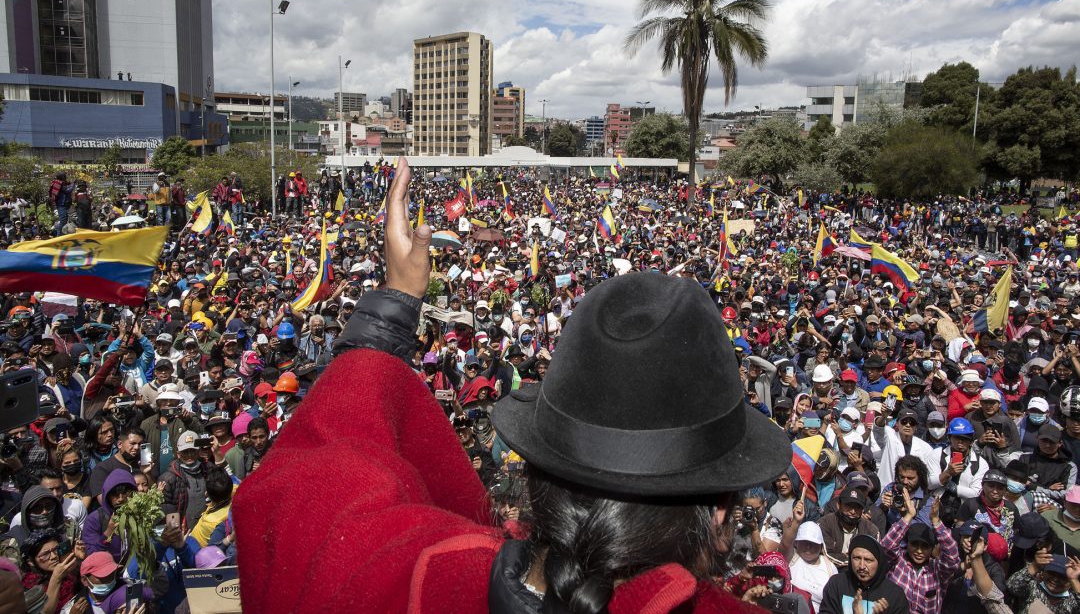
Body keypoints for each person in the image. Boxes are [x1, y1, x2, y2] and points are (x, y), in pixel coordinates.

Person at [233, 158, 793, 612]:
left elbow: (307, 503)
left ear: (534, 473)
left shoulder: (417, 580)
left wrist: (391, 310)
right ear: (721, 512)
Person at [880, 485, 961, 614]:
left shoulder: (937, 570)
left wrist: (936, 522)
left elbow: (952, 558)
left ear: (932, 549)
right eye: (914, 545)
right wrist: (909, 516)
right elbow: (886, 546)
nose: (919, 551)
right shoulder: (897, 562)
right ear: (908, 544)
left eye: (924, 547)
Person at [818, 534, 910, 614]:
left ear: (879, 562)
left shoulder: (894, 595)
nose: (862, 566)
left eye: (868, 560)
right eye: (857, 558)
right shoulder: (836, 584)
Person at [788, 521, 837, 612]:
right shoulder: (791, 559)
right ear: (796, 543)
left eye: (813, 543)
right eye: (804, 542)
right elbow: (785, 544)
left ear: (821, 545)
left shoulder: (830, 568)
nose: (808, 546)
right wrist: (795, 522)